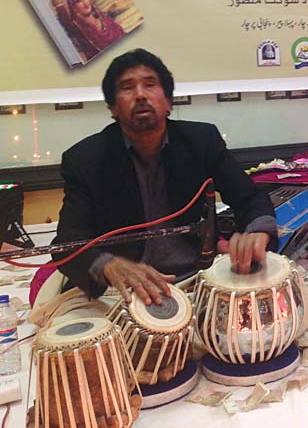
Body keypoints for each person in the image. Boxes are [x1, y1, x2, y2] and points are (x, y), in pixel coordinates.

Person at [49, 49, 278, 305]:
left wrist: (258, 232)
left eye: (150, 84)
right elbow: (66, 245)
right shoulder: (85, 160)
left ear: (168, 102)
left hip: (195, 280)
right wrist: (109, 266)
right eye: (127, 88)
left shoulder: (201, 142)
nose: (140, 94)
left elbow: (250, 198)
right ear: (113, 108)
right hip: (123, 291)